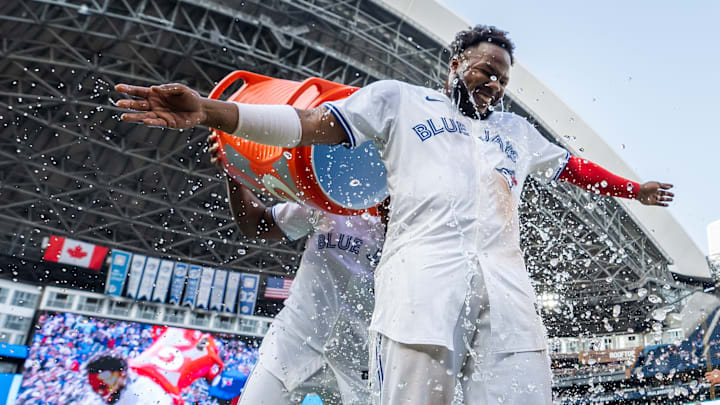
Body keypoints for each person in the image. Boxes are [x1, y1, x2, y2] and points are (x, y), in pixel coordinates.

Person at [115, 25, 674, 405]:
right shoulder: (396, 107)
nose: (495, 83)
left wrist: (634, 189)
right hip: (414, 301)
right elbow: (308, 126)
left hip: (502, 296)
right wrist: (215, 113)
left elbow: (571, 167)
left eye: (503, 77)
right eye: (484, 70)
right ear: (455, 65)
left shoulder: (515, 133)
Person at [203, 132, 386, 404]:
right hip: (294, 339)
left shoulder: (418, 226)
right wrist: (234, 172)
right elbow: (257, 223)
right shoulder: (336, 198)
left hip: (360, 357)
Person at [84, 354, 178, 405]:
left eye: (103, 386)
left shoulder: (147, 393)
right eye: (94, 389)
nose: (100, 392)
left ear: (121, 375)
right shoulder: (120, 393)